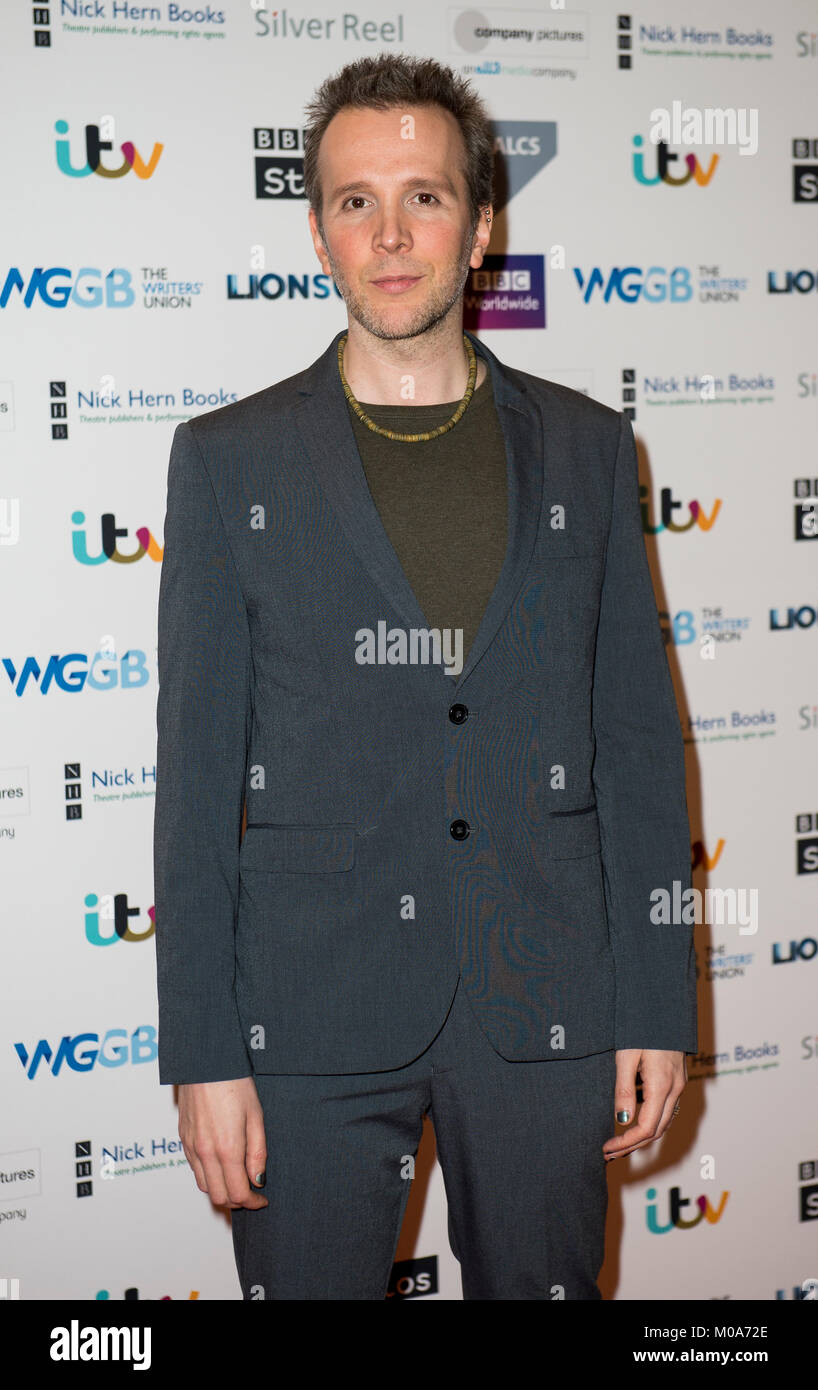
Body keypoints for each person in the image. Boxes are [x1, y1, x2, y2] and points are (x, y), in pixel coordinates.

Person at [153, 52, 697, 1301]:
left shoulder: (587, 448)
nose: (390, 234)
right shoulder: (228, 461)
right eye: (355, 201)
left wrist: (655, 1000)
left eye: (424, 196)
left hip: (544, 994)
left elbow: (634, 747)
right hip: (305, 1010)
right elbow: (192, 787)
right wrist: (202, 1052)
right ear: (317, 233)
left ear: (481, 223)